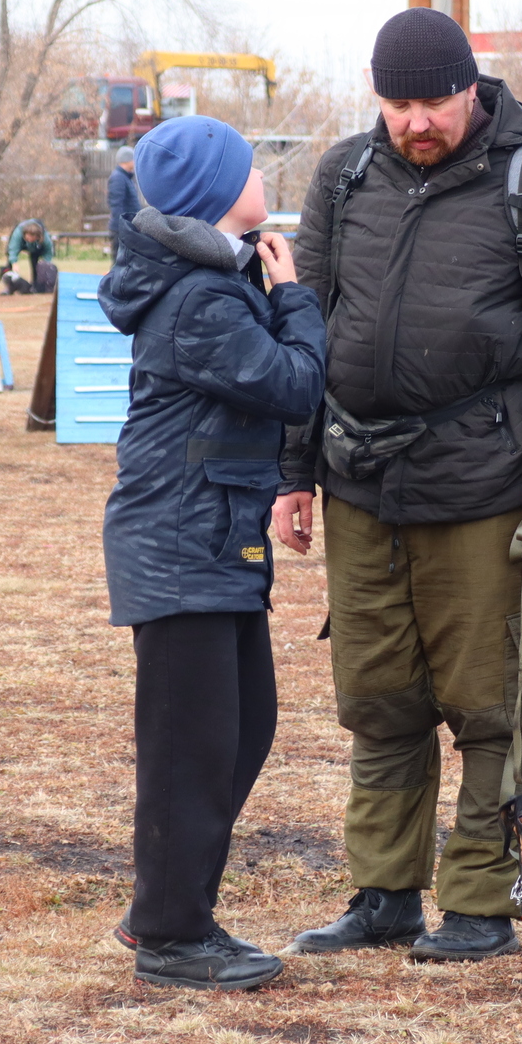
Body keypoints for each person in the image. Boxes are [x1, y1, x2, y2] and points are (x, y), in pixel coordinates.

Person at [277, 8, 522, 962]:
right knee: (378, 697)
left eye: (432, 101)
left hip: (488, 490)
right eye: (396, 103)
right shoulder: (345, 177)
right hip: (359, 484)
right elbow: (305, 334)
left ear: (473, 86)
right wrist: (291, 471)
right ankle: (383, 894)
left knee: (490, 702)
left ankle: (480, 901)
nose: (415, 122)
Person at [99, 114, 326, 990]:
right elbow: (297, 382)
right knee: (189, 742)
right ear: (216, 192)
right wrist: (295, 296)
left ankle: (171, 902)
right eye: (248, 167)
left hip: (210, 534)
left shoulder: (214, 280)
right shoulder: (202, 298)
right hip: (179, 539)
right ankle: (170, 931)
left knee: (241, 725)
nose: (261, 174)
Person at [107, 146, 143, 260]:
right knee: (119, 260)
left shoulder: (125, 177)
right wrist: (122, 226)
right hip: (122, 228)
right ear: (127, 160)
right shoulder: (118, 178)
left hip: (128, 226)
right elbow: (116, 204)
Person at [3, 218, 56, 294]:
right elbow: (13, 249)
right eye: (28, 237)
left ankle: (35, 287)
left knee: (38, 266)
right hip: (20, 243)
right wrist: (14, 263)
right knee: (10, 263)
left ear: (38, 237)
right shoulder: (18, 234)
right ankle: (9, 287)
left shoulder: (45, 238)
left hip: (36, 247)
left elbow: (48, 252)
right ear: (24, 235)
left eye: (32, 237)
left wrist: (44, 263)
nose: (30, 239)